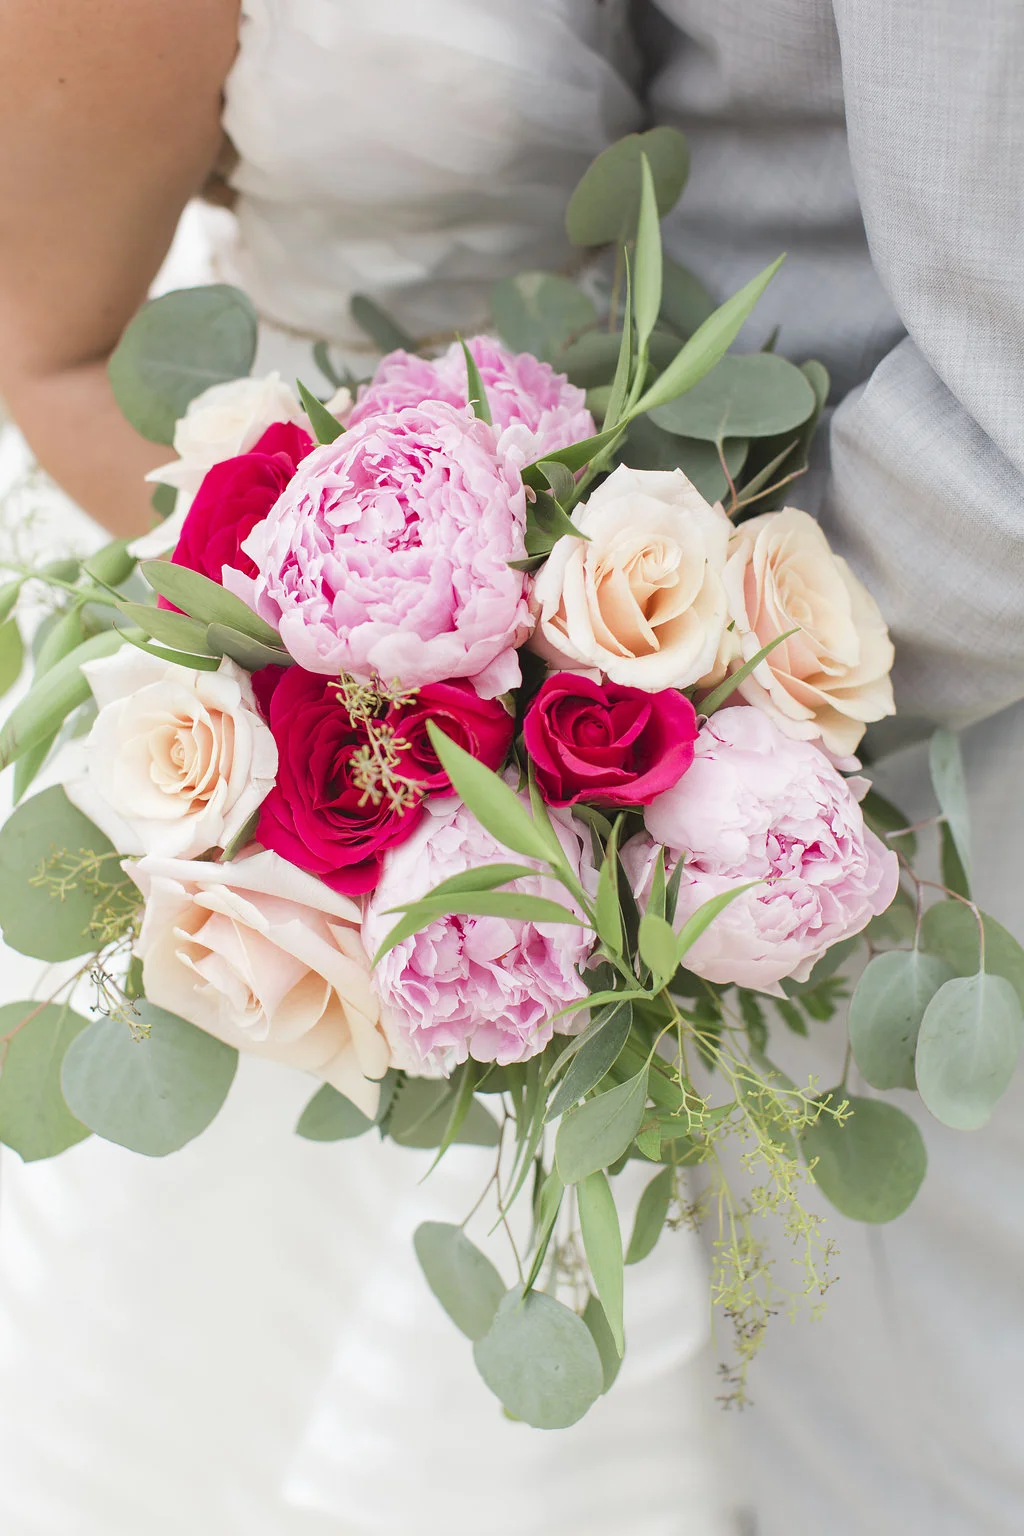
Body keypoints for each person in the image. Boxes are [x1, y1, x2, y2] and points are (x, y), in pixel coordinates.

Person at [1, 3, 1022, 1533]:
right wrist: (347, 722)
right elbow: (57, 353)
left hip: (692, 676)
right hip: (330, 785)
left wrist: (617, 703)